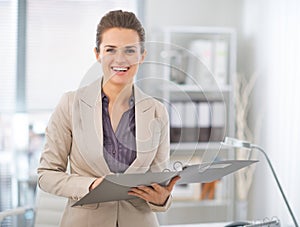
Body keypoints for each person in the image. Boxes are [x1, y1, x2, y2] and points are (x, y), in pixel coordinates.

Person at [37, 10, 180, 227]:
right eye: (110, 50)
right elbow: (46, 175)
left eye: (130, 50)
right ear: (97, 54)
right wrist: (91, 185)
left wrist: (163, 199)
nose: (120, 59)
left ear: (142, 55)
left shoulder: (157, 111)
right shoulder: (70, 104)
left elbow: (158, 180)